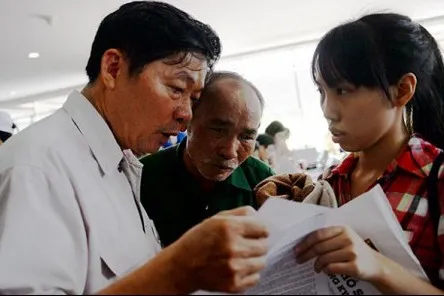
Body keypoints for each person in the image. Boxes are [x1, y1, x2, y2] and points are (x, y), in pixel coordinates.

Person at [0, 2, 269, 294]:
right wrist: (177, 269)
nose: (186, 114)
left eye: (193, 98)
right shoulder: (37, 169)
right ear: (113, 68)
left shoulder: (121, 162)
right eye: (177, 89)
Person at [295, 13, 444, 294]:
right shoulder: (330, 182)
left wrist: (379, 267)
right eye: (322, 91)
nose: (327, 110)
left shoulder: (437, 180)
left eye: (343, 90)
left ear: (402, 90)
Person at [140, 71, 275, 247]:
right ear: (188, 120)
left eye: (246, 137)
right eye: (218, 130)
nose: (230, 151)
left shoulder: (262, 180)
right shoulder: (142, 178)